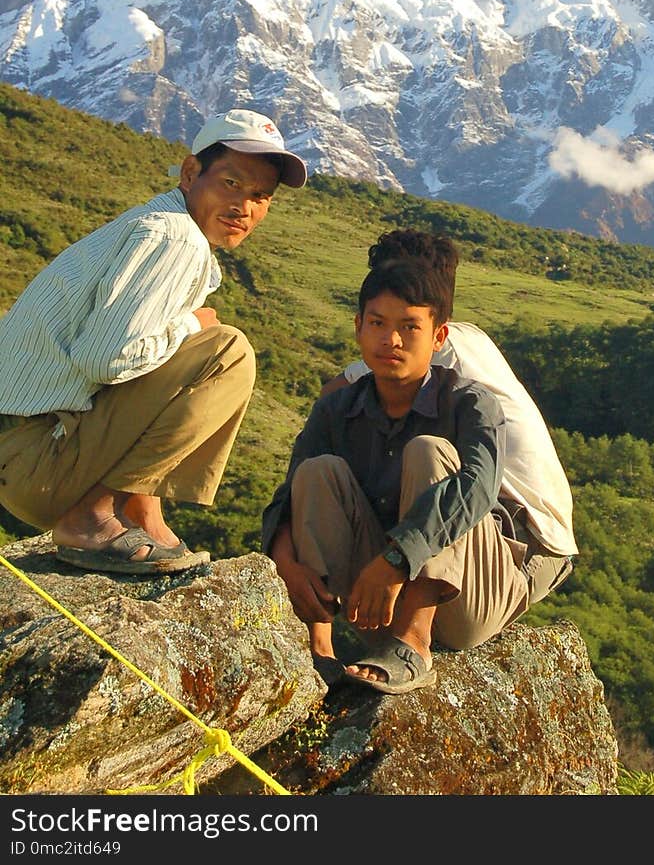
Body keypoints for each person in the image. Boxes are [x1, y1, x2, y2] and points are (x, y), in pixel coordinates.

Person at [0, 107, 307, 575]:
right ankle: (90, 517)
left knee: (192, 347)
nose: (244, 206)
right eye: (230, 183)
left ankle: (141, 510)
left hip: (24, 455)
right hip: (38, 459)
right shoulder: (175, 237)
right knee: (226, 352)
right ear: (190, 173)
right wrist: (192, 327)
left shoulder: (158, 224)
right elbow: (106, 359)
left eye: (261, 196)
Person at [262, 240, 576, 696]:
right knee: (317, 472)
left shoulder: (465, 381)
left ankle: (414, 640)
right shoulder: (348, 402)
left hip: (504, 560)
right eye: (378, 321)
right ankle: (317, 644)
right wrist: (284, 563)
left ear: (438, 330)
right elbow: (292, 489)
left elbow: (477, 488)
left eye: (410, 324)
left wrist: (395, 560)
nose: (392, 338)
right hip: (391, 583)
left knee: (430, 452)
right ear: (361, 323)